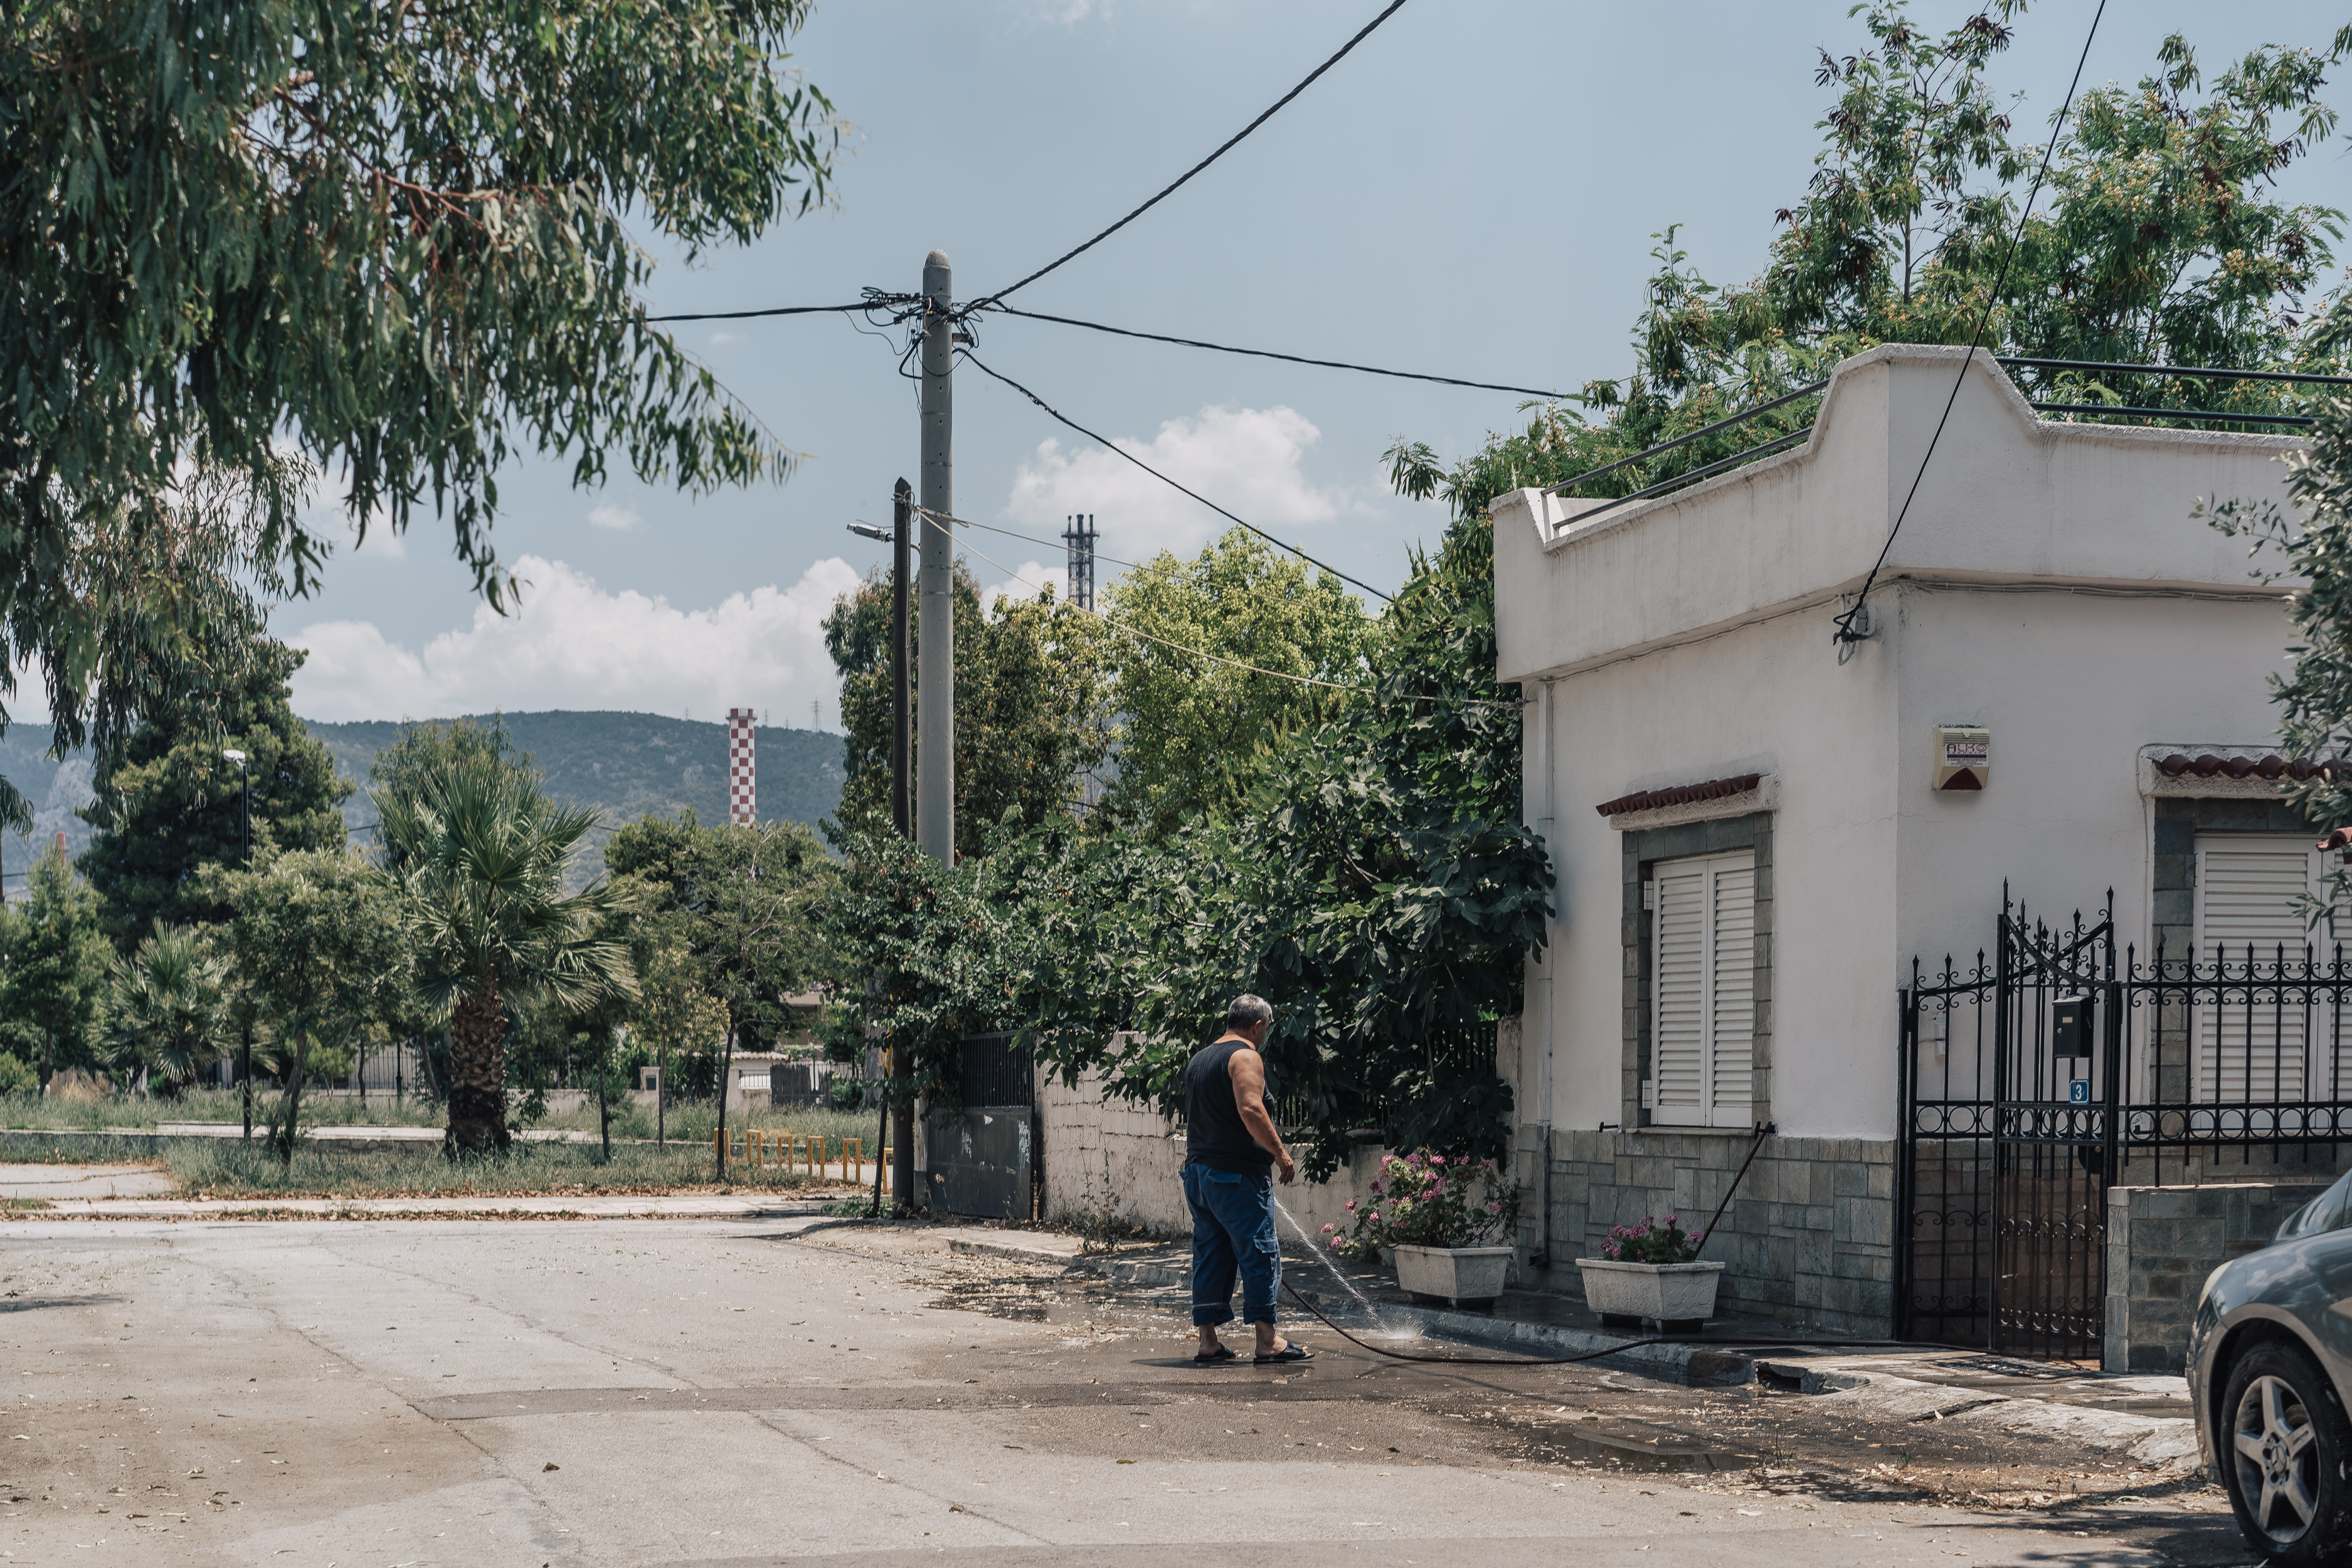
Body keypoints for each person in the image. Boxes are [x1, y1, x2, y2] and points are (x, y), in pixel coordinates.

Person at [1182, 993, 1311, 1365]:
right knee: (1259, 1251)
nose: (1265, 1035)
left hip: (1199, 1175)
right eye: (1266, 1029)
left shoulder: (1200, 1059)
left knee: (1210, 1254)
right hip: (1235, 1177)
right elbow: (1251, 1108)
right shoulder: (1246, 1056)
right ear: (1257, 1026)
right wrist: (1281, 1154)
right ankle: (1267, 1341)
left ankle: (1208, 1342)